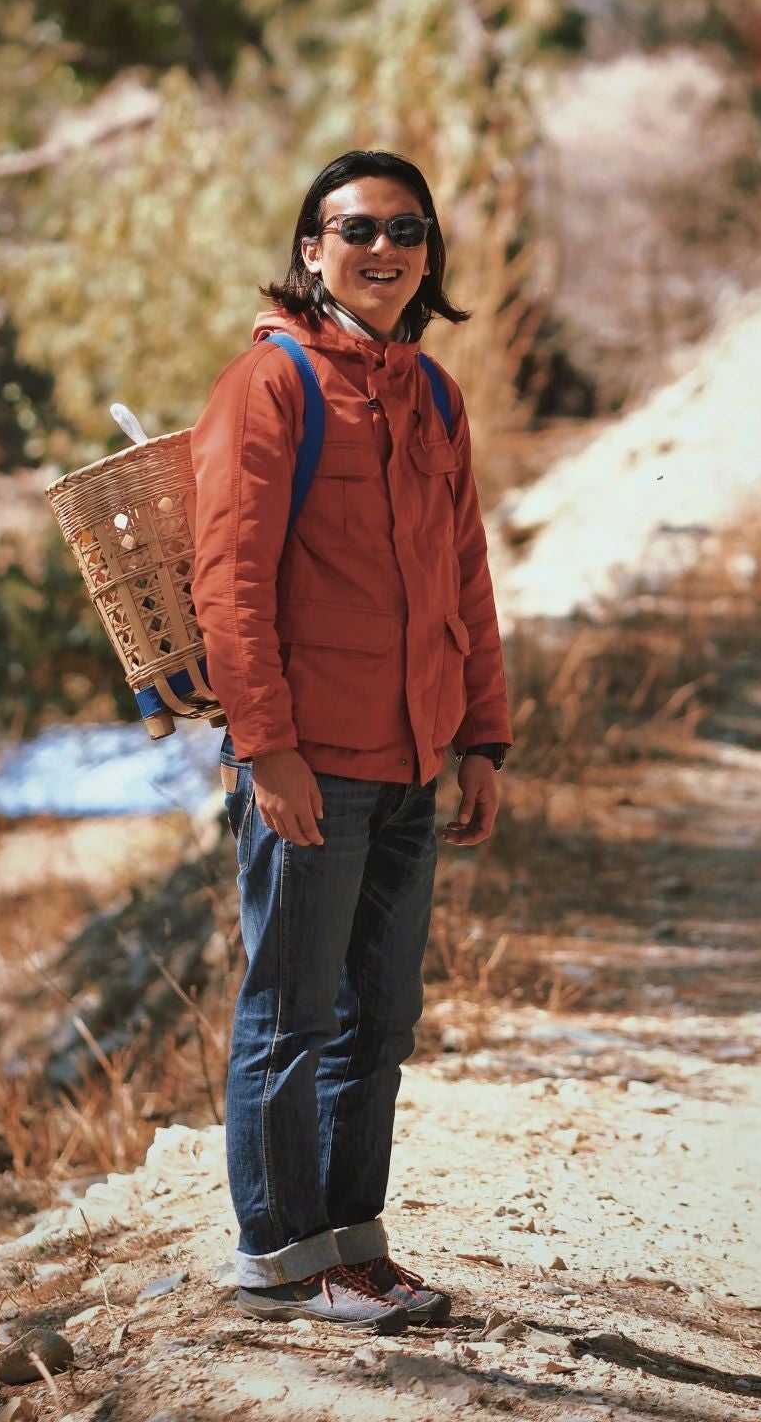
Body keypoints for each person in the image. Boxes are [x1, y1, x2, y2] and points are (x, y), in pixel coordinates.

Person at [190, 149, 512, 1333]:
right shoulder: (265, 389)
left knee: (377, 1017)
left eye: (407, 230)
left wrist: (482, 735)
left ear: (428, 254)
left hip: (413, 756)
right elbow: (229, 586)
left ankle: (353, 1247)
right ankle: (278, 1254)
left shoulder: (429, 392)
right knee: (290, 1013)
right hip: (308, 762)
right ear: (311, 247)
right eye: (356, 228)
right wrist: (264, 747)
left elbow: (463, 574)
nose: (383, 250)